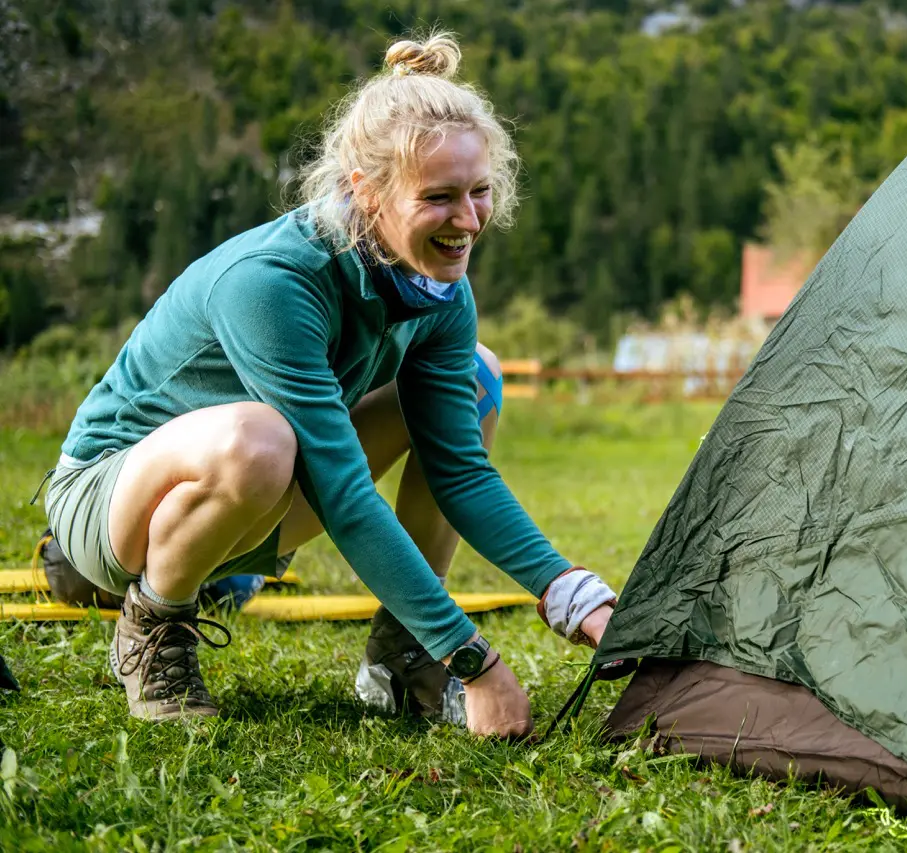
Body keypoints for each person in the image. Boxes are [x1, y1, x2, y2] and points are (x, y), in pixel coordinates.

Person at [39, 32, 617, 737]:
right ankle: (152, 623)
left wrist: (576, 597)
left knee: (476, 376)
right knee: (259, 439)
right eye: (439, 197)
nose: (467, 221)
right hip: (112, 497)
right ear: (365, 191)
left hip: (265, 492)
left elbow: (459, 471)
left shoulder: (438, 290)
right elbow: (342, 491)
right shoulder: (273, 282)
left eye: (480, 192)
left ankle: (402, 654)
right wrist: (475, 660)